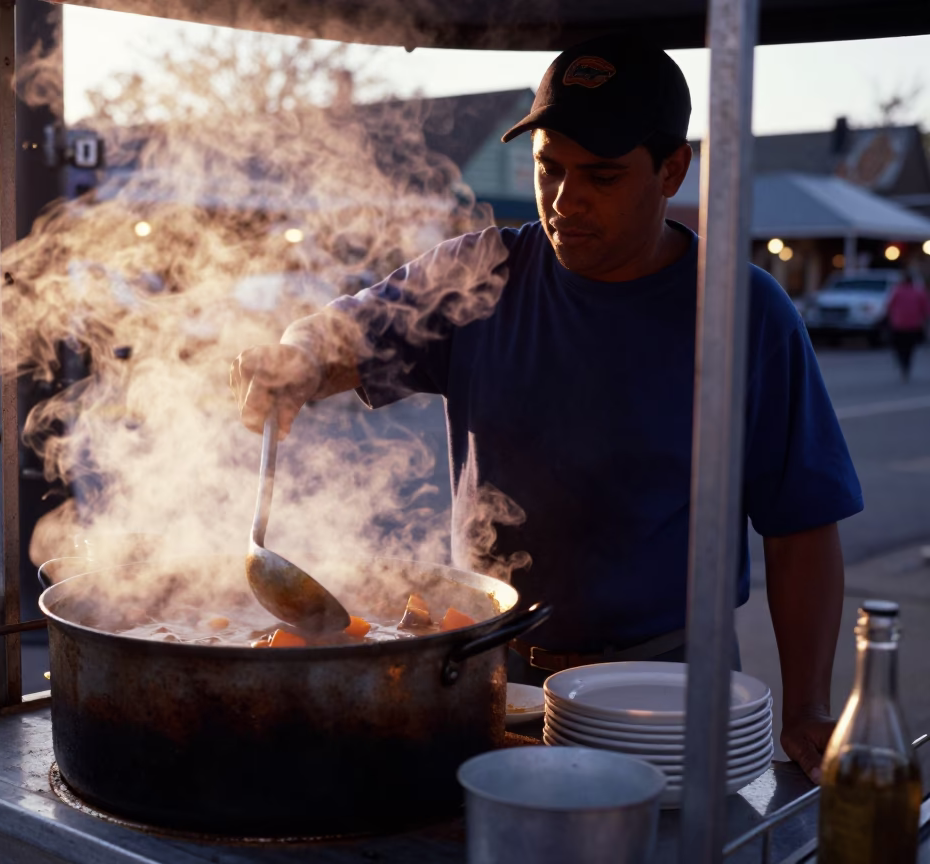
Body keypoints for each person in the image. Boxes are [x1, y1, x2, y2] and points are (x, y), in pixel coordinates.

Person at [229, 35, 864, 784]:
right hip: (479, 664)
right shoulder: (480, 273)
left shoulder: (741, 310)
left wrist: (806, 712)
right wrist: (296, 353)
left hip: (661, 680)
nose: (565, 201)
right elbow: (344, 333)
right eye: (548, 169)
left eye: (600, 175)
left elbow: (802, 528)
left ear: (671, 170)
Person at [887, 273, 929, 381]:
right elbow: (925, 308)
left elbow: (889, 306)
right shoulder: (918, 292)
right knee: (909, 348)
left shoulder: (897, 291)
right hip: (913, 325)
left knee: (899, 346)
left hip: (899, 324)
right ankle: (906, 365)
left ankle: (902, 363)